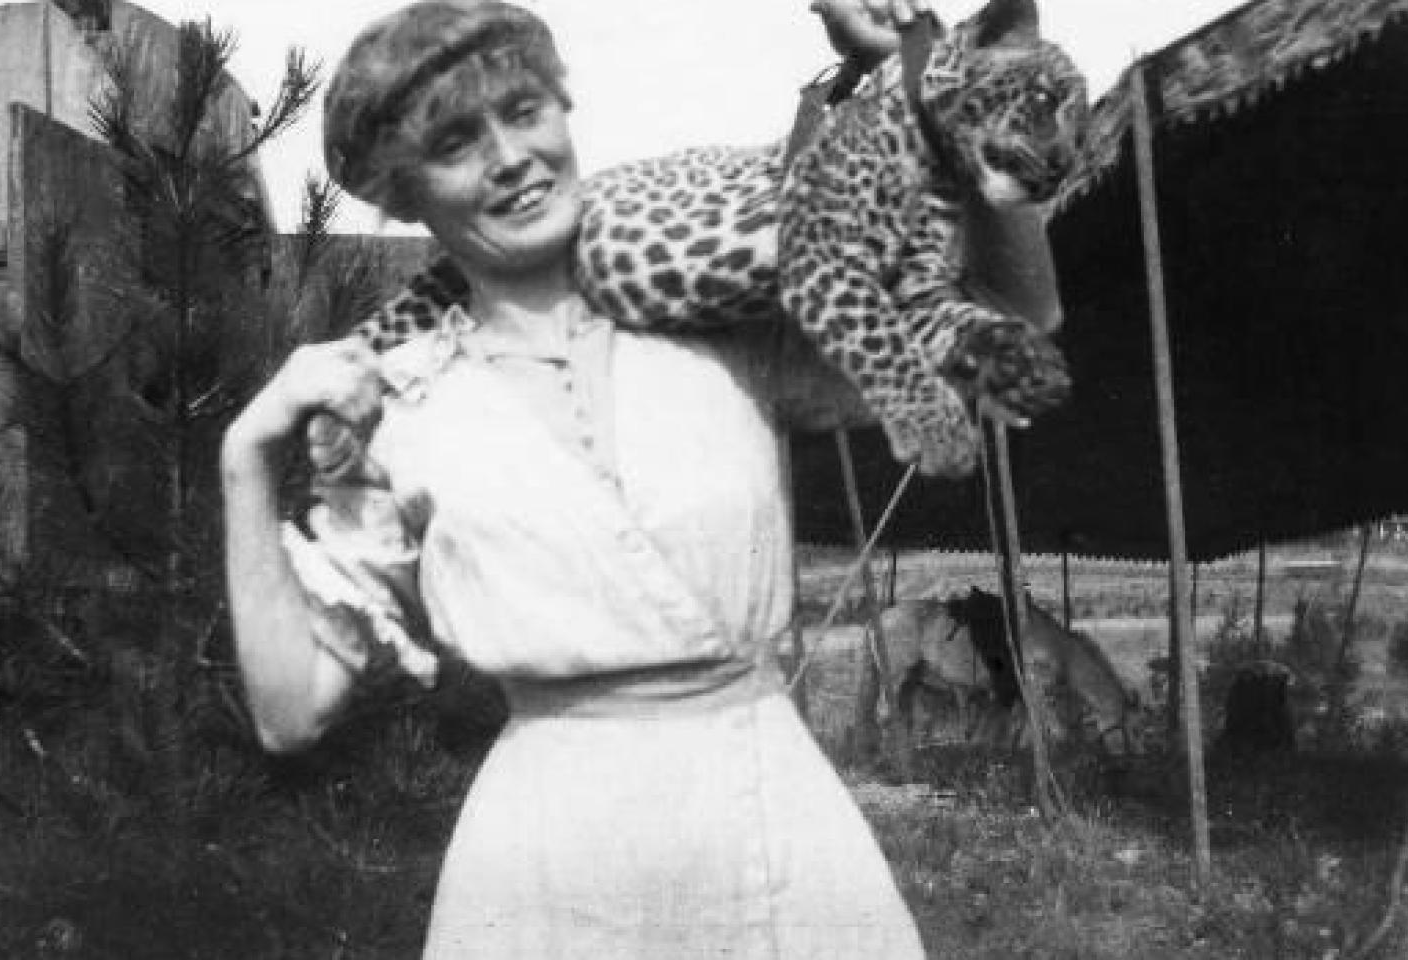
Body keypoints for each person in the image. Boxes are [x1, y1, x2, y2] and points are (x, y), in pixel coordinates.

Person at [221, 1, 931, 956]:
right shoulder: (400, 404)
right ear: (402, 194)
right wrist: (244, 462)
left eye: (525, 110)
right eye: (457, 142)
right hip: (553, 860)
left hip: (769, 816)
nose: (512, 156)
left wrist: (912, 69)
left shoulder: (715, 317)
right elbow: (288, 711)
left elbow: (988, 314)